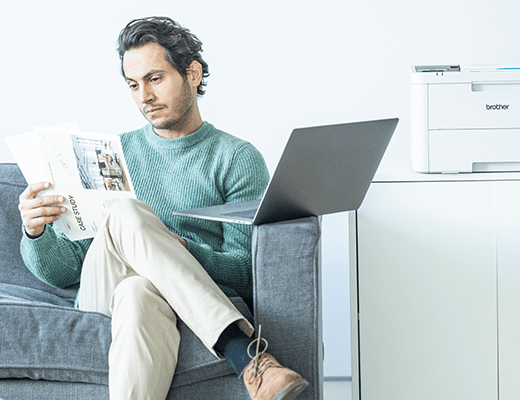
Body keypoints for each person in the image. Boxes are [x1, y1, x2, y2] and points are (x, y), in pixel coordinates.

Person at [17, 16, 309, 400]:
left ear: (192, 73)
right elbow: (63, 271)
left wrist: (180, 249)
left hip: (142, 298)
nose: (144, 97)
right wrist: (35, 231)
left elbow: (245, 270)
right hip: (101, 292)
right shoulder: (113, 155)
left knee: (139, 290)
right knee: (125, 213)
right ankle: (248, 358)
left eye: (155, 79)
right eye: (133, 85)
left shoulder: (236, 157)